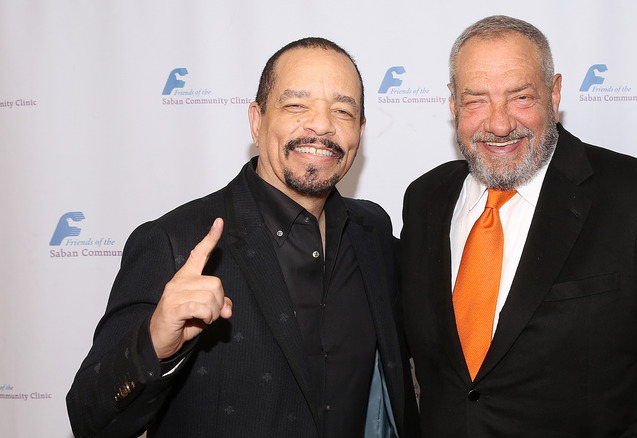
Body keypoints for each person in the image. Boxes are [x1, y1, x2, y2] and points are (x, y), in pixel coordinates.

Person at [67, 37, 419, 438]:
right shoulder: (174, 243)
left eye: (342, 110)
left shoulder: (372, 232)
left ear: (360, 130)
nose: (322, 125)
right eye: (296, 105)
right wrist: (154, 345)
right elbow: (88, 416)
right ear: (257, 120)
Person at [400, 15, 637, 437]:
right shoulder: (425, 199)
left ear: (554, 94)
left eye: (520, 97)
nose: (500, 124)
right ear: (452, 104)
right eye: (476, 100)